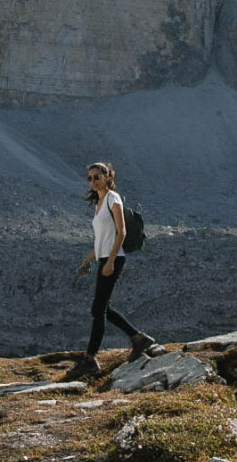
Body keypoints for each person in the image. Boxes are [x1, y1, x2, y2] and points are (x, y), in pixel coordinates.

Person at [61, 161, 163, 380]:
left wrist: (110, 262)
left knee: (98, 309)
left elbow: (122, 232)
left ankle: (90, 359)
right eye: (90, 178)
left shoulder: (112, 199)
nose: (94, 181)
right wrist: (87, 261)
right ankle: (137, 337)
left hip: (113, 259)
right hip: (105, 257)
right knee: (102, 307)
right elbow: (101, 241)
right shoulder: (99, 204)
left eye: (97, 176)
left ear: (108, 177)